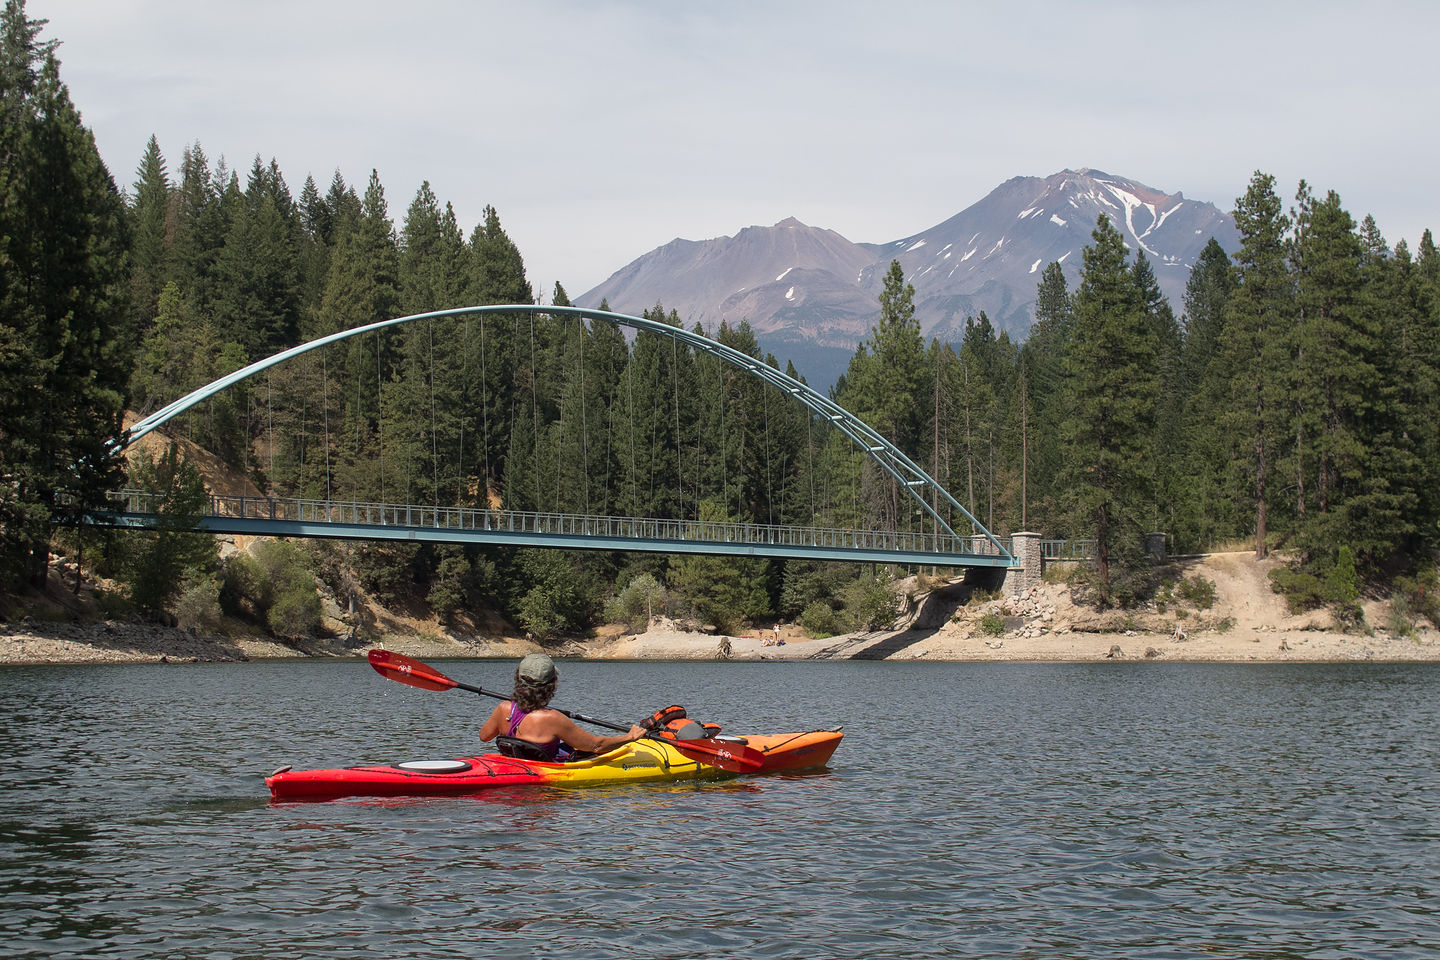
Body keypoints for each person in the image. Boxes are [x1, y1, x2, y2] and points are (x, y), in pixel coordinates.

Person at [478, 653, 645, 761]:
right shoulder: (553, 718)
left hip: (512, 773)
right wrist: (629, 737)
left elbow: (484, 736)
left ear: (518, 679)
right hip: (542, 794)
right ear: (551, 684)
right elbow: (596, 746)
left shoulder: (503, 708)